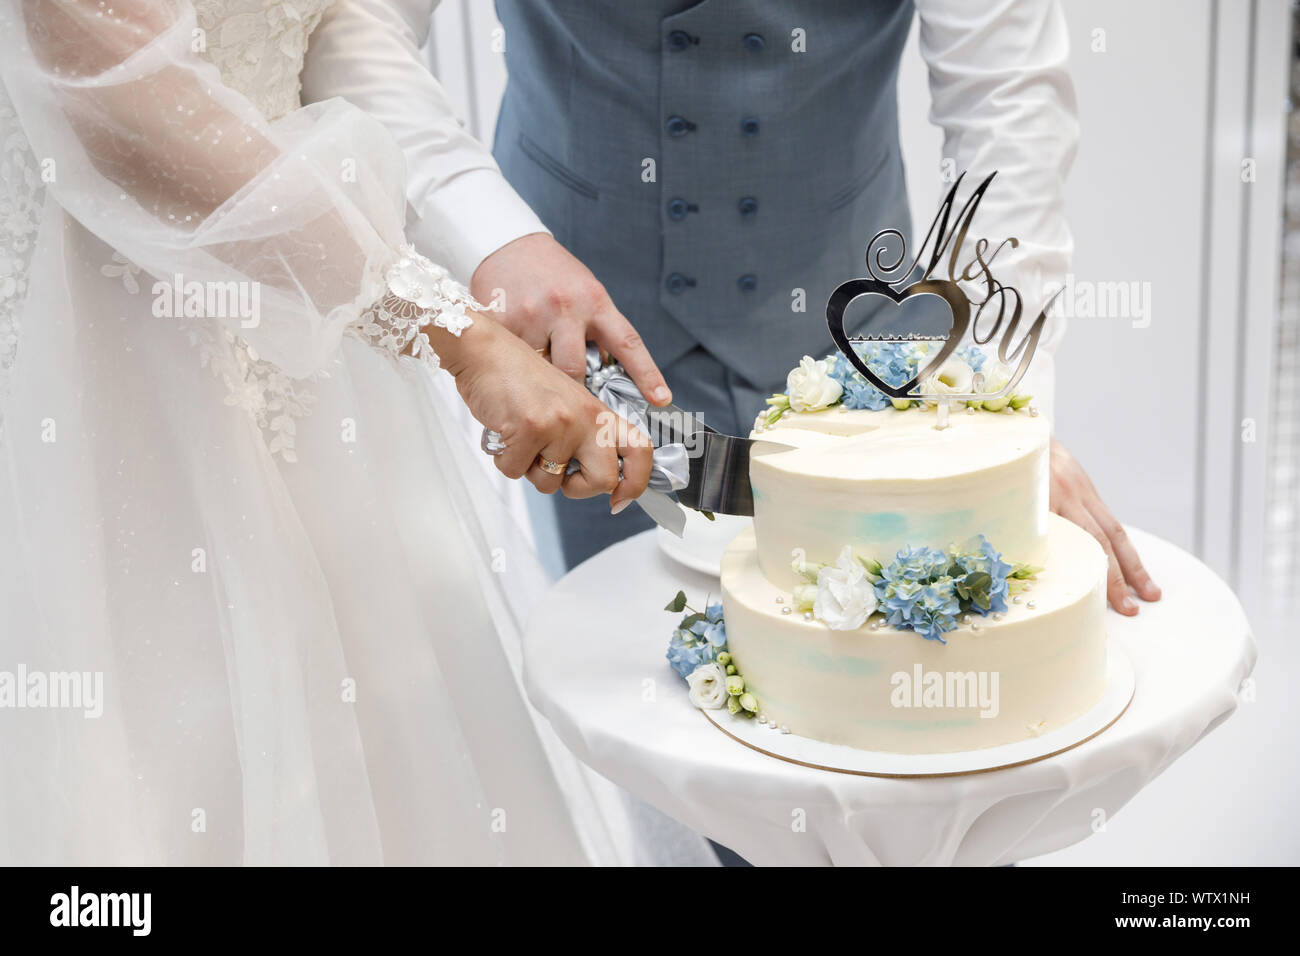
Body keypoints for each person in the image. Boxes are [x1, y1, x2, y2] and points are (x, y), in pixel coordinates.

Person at [0, 0, 714, 865]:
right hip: (106, 346)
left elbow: (348, 17)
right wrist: (457, 334)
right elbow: (121, 107)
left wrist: (490, 240)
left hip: (320, 321)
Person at [306, 0, 1162, 617]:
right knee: (658, 718)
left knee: (926, 735)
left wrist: (984, 401)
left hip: (866, 337)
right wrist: (489, 234)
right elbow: (354, 22)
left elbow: (1008, 101)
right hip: (586, 352)